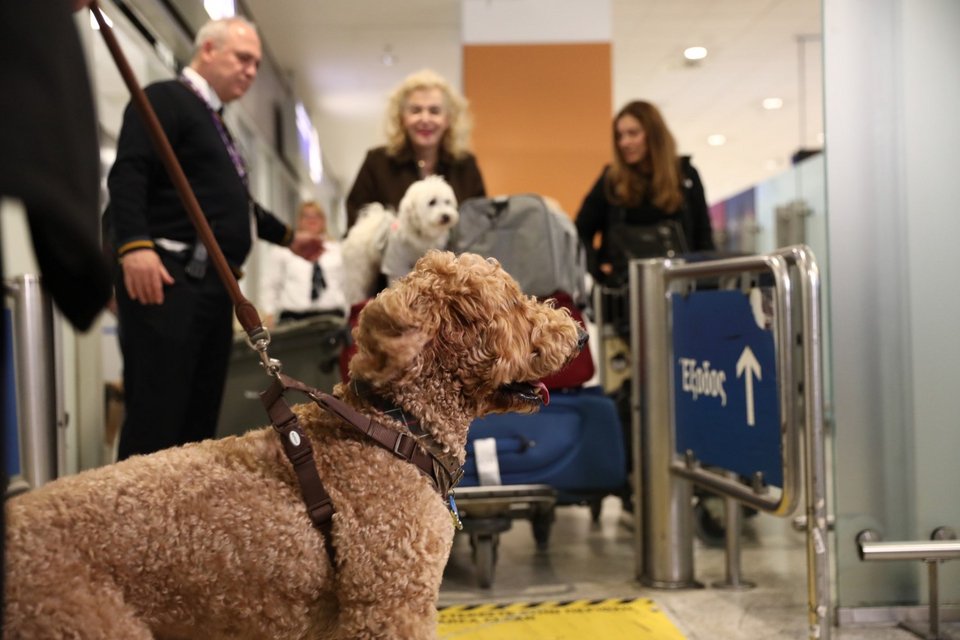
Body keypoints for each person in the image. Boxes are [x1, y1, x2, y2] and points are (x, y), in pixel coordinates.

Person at [106, 16, 321, 461]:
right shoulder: (166, 98)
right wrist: (134, 246)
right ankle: (137, 508)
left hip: (211, 289)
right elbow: (129, 172)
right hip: (168, 282)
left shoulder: (215, 122)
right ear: (208, 50)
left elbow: (236, 203)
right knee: (157, 416)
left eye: (256, 63)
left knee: (198, 421)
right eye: (242, 58)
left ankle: (183, 507)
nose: (251, 70)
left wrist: (288, 238)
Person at [575, 100, 715, 286]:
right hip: (622, 289)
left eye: (633, 133)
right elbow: (580, 232)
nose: (624, 142)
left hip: (678, 286)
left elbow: (703, 237)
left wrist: (706, 284)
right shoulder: (611, 179)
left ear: (654, 134)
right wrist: (597, 270)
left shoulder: (685, 175)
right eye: (619, 136)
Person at [345, 68, 486, 228]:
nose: (425, 119)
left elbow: (480, 225)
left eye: (434, 111)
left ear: (448, 119)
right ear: (401, 118)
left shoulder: (466, 165)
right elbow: (356, 222)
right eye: (416, 110)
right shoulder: (376, 163)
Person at [260, 201, 347, 327]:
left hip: (332, 317)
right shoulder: (283, 250)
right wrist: (269, 313)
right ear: (299, 221)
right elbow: (271, 284)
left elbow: (346, 284)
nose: (312, 220)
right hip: (293, 319)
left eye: (316, 216)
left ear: (324, 220)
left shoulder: (338, 250)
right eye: (307, 216)